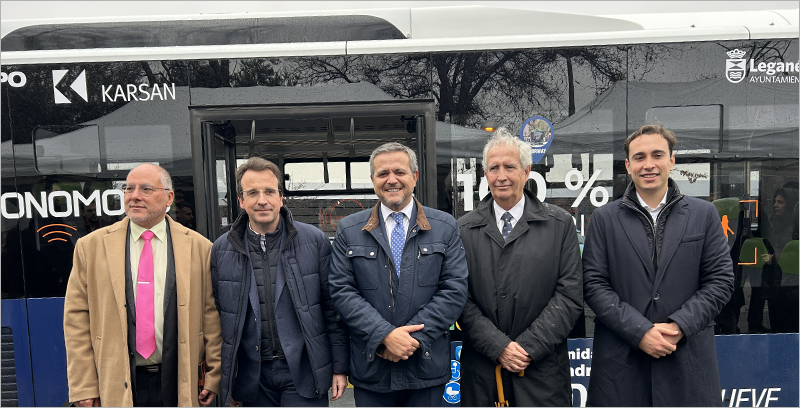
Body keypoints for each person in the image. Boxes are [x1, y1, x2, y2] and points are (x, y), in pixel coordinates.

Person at [582, 125, 734, 406]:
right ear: (628, 165)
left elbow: (720, 281)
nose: (648, 164)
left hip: (686, 361)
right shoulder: (604, 219)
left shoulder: (704, 214)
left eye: (657, 155)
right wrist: (640, 332)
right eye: (639, 157)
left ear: (672, 161)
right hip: (622, 367)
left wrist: (679, 326)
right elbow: (593, 285)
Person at [64, 163, 222, 407]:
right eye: (129, 188)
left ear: (169, 197)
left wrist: (213, 375)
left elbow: (211, 316)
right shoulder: (90, 247)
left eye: (146, 189)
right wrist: (83, 385)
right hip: (118, 381)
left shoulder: (200, 248)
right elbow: (76, 321)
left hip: (178, 379)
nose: (134, 195)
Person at [328, 142, 468, 407]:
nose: (392, 180)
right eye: (383, 174)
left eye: (399, 172)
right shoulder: (349, 230)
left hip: (426, 369)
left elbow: (455, 290)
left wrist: (411, 340)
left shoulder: (445, 226)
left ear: (414, 177)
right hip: (373, 369)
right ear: (372, 180)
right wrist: (384, 336)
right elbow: (342, 292)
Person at [457, 128, 583, 406]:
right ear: (485, 174)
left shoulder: (559, 225)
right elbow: (459, 299)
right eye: (494, 168)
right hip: (483, 374)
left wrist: (527, 347)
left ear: (526, 172)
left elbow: (570, 296)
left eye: (509, 167)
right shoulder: (463, 230)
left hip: (542, 373)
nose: (501, 175)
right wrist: (498, 347)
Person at [210, 157, 349, 407]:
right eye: (252, 192)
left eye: (269, 191)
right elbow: (221, 318)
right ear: (241, 200)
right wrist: (227, 377)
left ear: (280, 197)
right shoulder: (222, 249)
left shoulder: (314, 240)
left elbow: (333, 310)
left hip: (303, 370)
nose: (262, 200)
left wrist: (339, 367)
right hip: (253, 377)